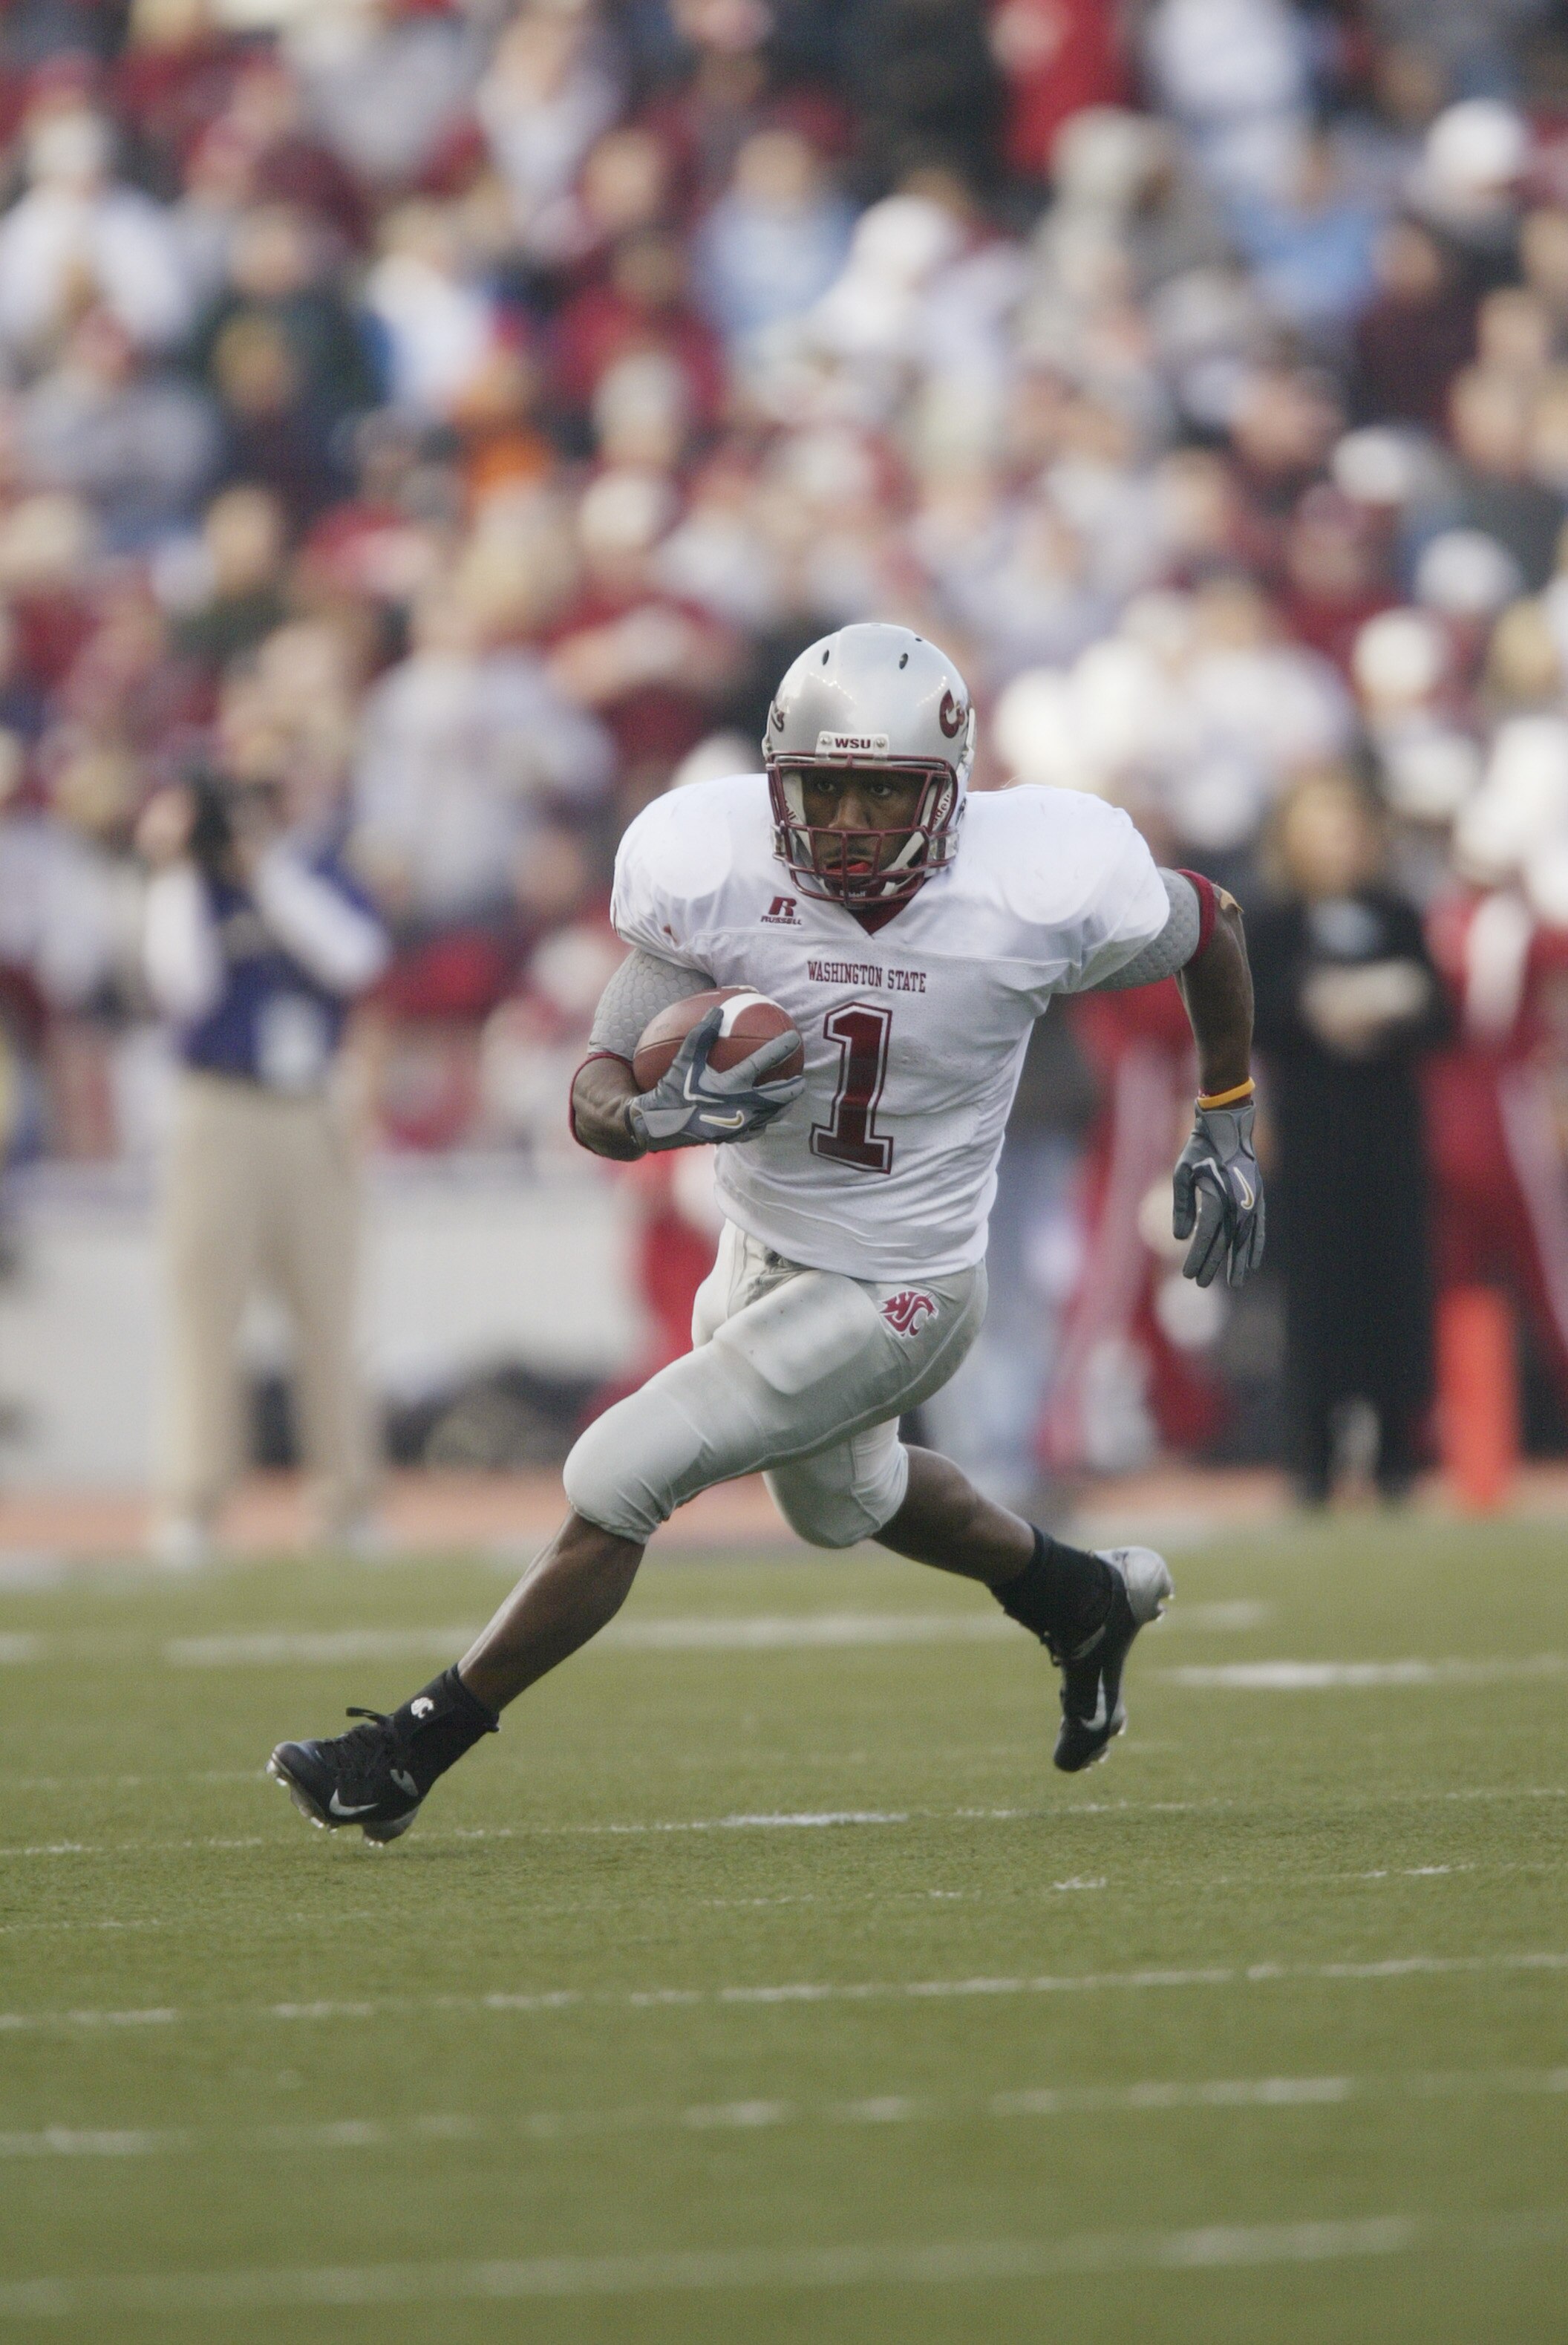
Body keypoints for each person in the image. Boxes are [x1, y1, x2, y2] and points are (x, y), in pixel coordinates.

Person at [267, 623, 1264, 1842]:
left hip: (904, 1285)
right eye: (821, 786)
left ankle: (408, 1750)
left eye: (879, 790)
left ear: (948, 791)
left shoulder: (1040, 876)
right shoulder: (714, 857)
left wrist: (1224, 1114)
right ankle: (1079, 1594)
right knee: (847, 1503)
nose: (845, 817)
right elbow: (611, 1051)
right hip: (760, 1247)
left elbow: (1208, 922)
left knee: (618, 1469)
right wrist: (627, 1111)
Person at [140, 754, 390, 1564]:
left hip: (310, 1105)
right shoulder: (190, 887)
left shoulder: (310, 871)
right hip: (220, 1107)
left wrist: (266, 871)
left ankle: (347, 1498)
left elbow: (354, 959)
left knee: (329, 1312)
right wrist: (185, 866)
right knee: (206, 1312)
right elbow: (180, 985)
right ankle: (193, 1499)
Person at [1250, 767, 1446, 1504]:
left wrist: (1393, 1003)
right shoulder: (1271, 922)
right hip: (1310, 1134)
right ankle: (1314, 1454)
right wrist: (1315, 1007)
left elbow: (1442, 1017)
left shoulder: (1397, 916)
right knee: (1317, 1296)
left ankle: (1400, 1448)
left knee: (1394, 1289)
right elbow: (1253, 1020)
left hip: (1386, 1130)